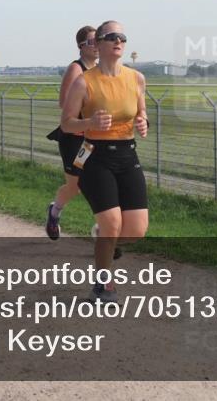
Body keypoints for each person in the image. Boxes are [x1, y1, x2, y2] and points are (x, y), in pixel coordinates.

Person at [61, 20, 148, 302]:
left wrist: (143, 122)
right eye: (111, 36)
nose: (118, 40)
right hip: (95, 155)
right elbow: (66, 125)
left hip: (127, 154)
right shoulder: (83, 82)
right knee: (112, 224)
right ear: (98, 44)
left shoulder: (136, 78)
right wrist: (90, 121)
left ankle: (102, 239)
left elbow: (141, 113)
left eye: (122, 36)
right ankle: (102, 285)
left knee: (135, 231)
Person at [45, 25, 98, 240]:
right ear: (81, 46)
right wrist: (90, 115)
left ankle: (105, 230)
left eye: (99, 41)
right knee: (75, 186)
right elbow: (63, 103)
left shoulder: (102, 70)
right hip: (74, 139)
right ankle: (54, 211)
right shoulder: (76, 69)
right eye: (92, 42)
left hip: (93, 138)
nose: (96, 46)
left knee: (98, 182)